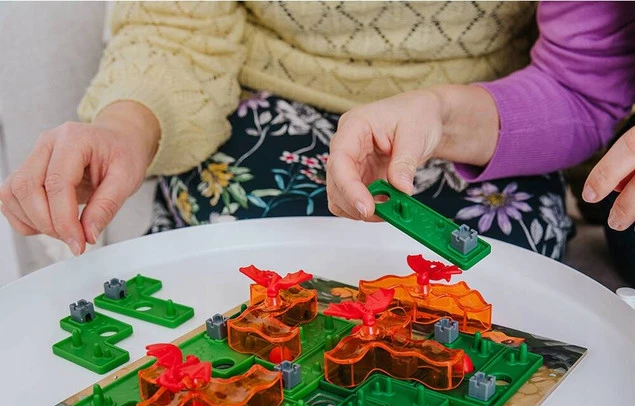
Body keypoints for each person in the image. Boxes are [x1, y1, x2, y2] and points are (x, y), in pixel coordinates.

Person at [0, 2, 633, 274]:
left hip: (483, 124)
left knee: (485, 298)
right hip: (266, 109)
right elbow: (177, 30)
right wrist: (124, 127)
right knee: (228, 290)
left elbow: (581, 84)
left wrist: (442, 116)